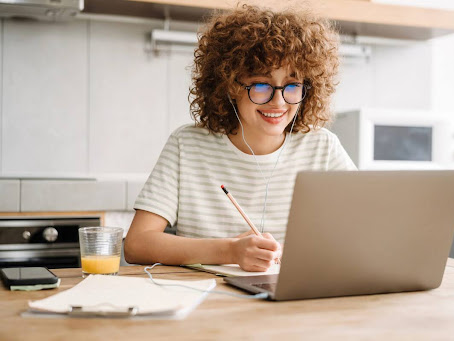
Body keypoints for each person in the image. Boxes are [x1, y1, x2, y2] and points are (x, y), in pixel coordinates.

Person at [124, 4, 356, 271]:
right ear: (231, 85)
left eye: (292, 85)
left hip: (295, 301)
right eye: (261, 85)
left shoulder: (322, 147)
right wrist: (230, 250)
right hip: (209, 300)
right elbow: (137, 244)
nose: (279, 102)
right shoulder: (187, 145)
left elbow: (366, 229)